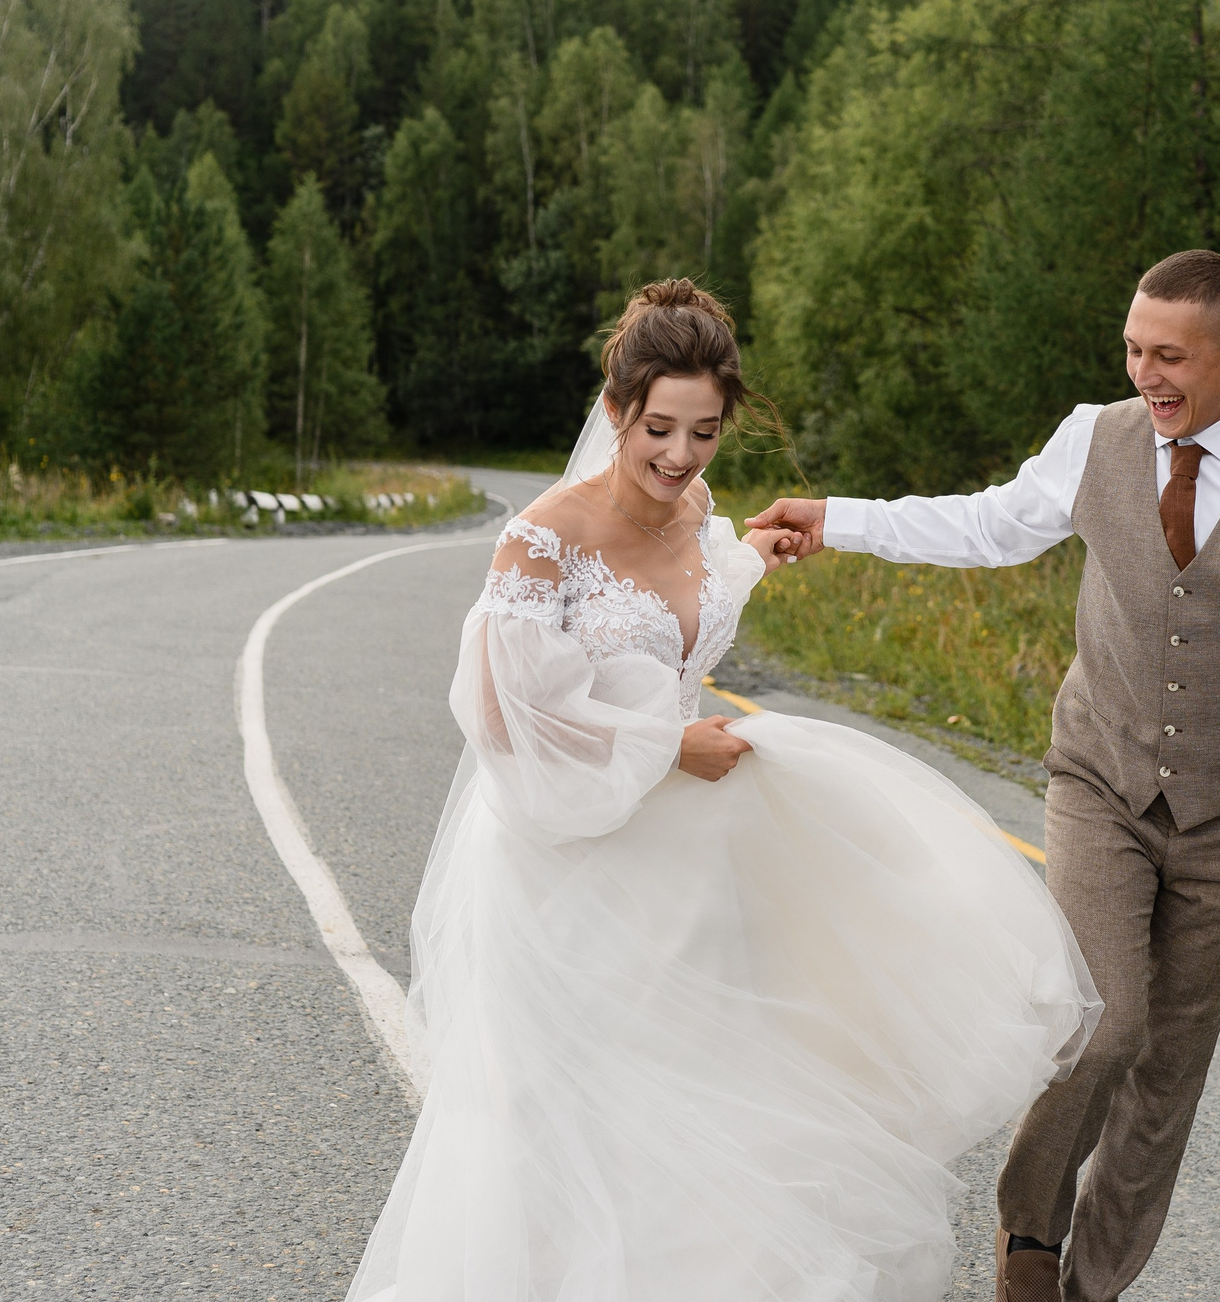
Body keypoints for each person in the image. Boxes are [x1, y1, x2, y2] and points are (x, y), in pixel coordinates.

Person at [347, 278, 1100, 1302]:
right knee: (580, 1104)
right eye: (659, 428)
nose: (679, 455)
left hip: (691, 856)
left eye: (703, 432)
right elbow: (498, 716)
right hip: (571, 859)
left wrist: (752, 553)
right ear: (615, 411)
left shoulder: (698, 509)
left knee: (704, 1087)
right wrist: (662, 746)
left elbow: (680, 621)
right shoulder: (540, 539)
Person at [752, 250, 1220, 1302]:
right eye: (1132, 350)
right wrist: (836, 516)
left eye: (1168, 355)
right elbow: (983, 524)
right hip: (1100, 780)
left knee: (1167, 1070)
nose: (1145, 374)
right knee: (1101, 1021)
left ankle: (1089, 1286)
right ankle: (1030, 1221)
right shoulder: (1094, 437)